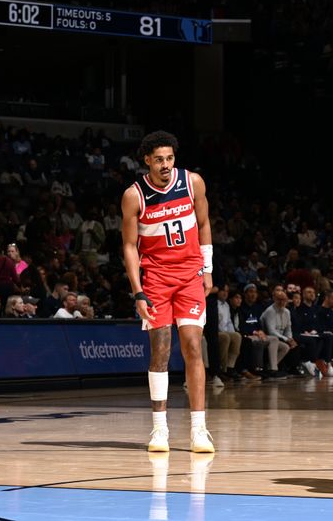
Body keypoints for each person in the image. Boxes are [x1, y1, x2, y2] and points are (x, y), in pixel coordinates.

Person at [121, 130, 215, 454]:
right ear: (147, 160)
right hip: (157, 280)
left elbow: (204, 224)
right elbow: (129, 247)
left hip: (190, 276)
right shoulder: (134, 195)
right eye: (159, 159)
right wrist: (138, 292)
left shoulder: (193, 183)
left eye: (170, 158)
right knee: (159, 351)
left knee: (192, 346)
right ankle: (159, 429)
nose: (165, 164)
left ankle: (199, 430)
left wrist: (208, 268)